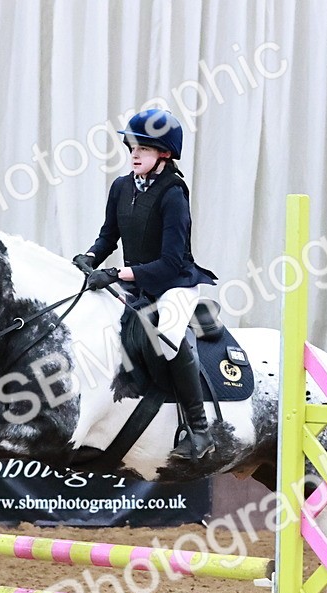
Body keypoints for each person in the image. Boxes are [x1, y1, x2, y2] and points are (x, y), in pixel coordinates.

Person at [74, 108, 217, 459]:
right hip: (137, 284)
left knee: (168, 338)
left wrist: (118, 274)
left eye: (144, 148)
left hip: (174, 284)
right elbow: (109, 235)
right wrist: (91, 257)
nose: (134, 154)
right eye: (132, 147)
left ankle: (199, 430)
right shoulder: (122, 187)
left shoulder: (173, 194)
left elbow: (170, 263)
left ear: (164, 154)